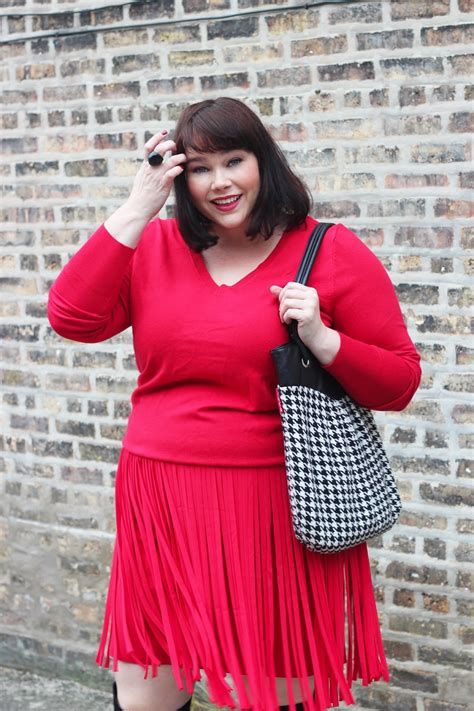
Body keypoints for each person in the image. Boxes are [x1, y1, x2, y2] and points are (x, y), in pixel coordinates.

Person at [47, 97, 421, 711]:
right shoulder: (156, 247)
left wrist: (326, 341)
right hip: (159, 499)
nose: (220, 182)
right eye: (199, 167)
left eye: (234, 160)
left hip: (276, 507)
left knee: (277, 693)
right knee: (144, 696)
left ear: (262, 162)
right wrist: (140, 204)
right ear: (178, 177)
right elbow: (72, 317)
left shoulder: (327, 251)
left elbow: (399, 383)